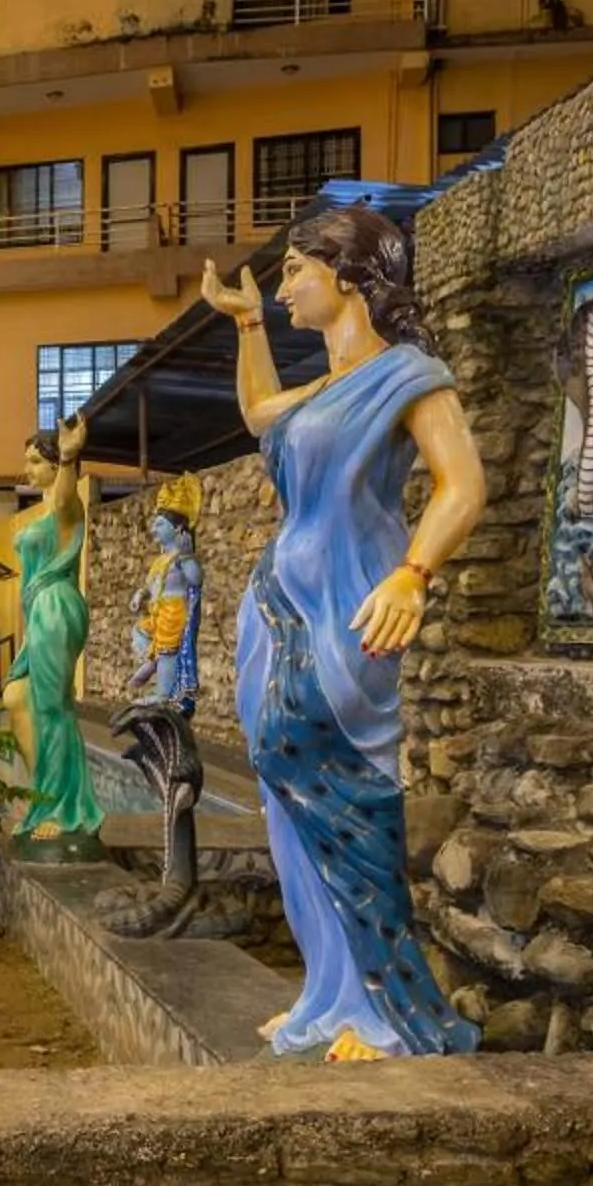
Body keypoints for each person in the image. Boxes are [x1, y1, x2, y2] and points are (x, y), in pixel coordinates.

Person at [202, 209, 483, 1061]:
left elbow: (462, 486)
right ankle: (330, 991)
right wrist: (248, 324)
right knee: (285, 793)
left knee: (347, 792)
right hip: (279, 603)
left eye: (294, 272)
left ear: (350, 276)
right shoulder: (318, 391)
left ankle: (384, 1008)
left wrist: (415, 573)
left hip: (352, 604)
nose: (285, 287)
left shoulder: (409, 375)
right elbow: (258, 413)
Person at [2, 417, 104, 846]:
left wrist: (67, 457)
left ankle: (65, 809)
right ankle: (45, 794)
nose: (28, 469)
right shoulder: (41, 514)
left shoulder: (65, 510)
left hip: (56, 606)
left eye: (34, 461)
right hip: (39, 611)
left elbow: (65, 502)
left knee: (53, 708)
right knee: (16, 697)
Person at [127, 473, 205, 711]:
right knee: (140, 632)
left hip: (174, 611)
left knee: (168, 651)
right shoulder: (161, 560)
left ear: (178, 527)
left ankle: (162, 693)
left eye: (159, 524)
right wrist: (140, 594)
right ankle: (152, 665)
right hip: (158, 612)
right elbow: (152, 584)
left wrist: (187, 556)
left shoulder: (181, 558)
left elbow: (196, 579)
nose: (153, 529)